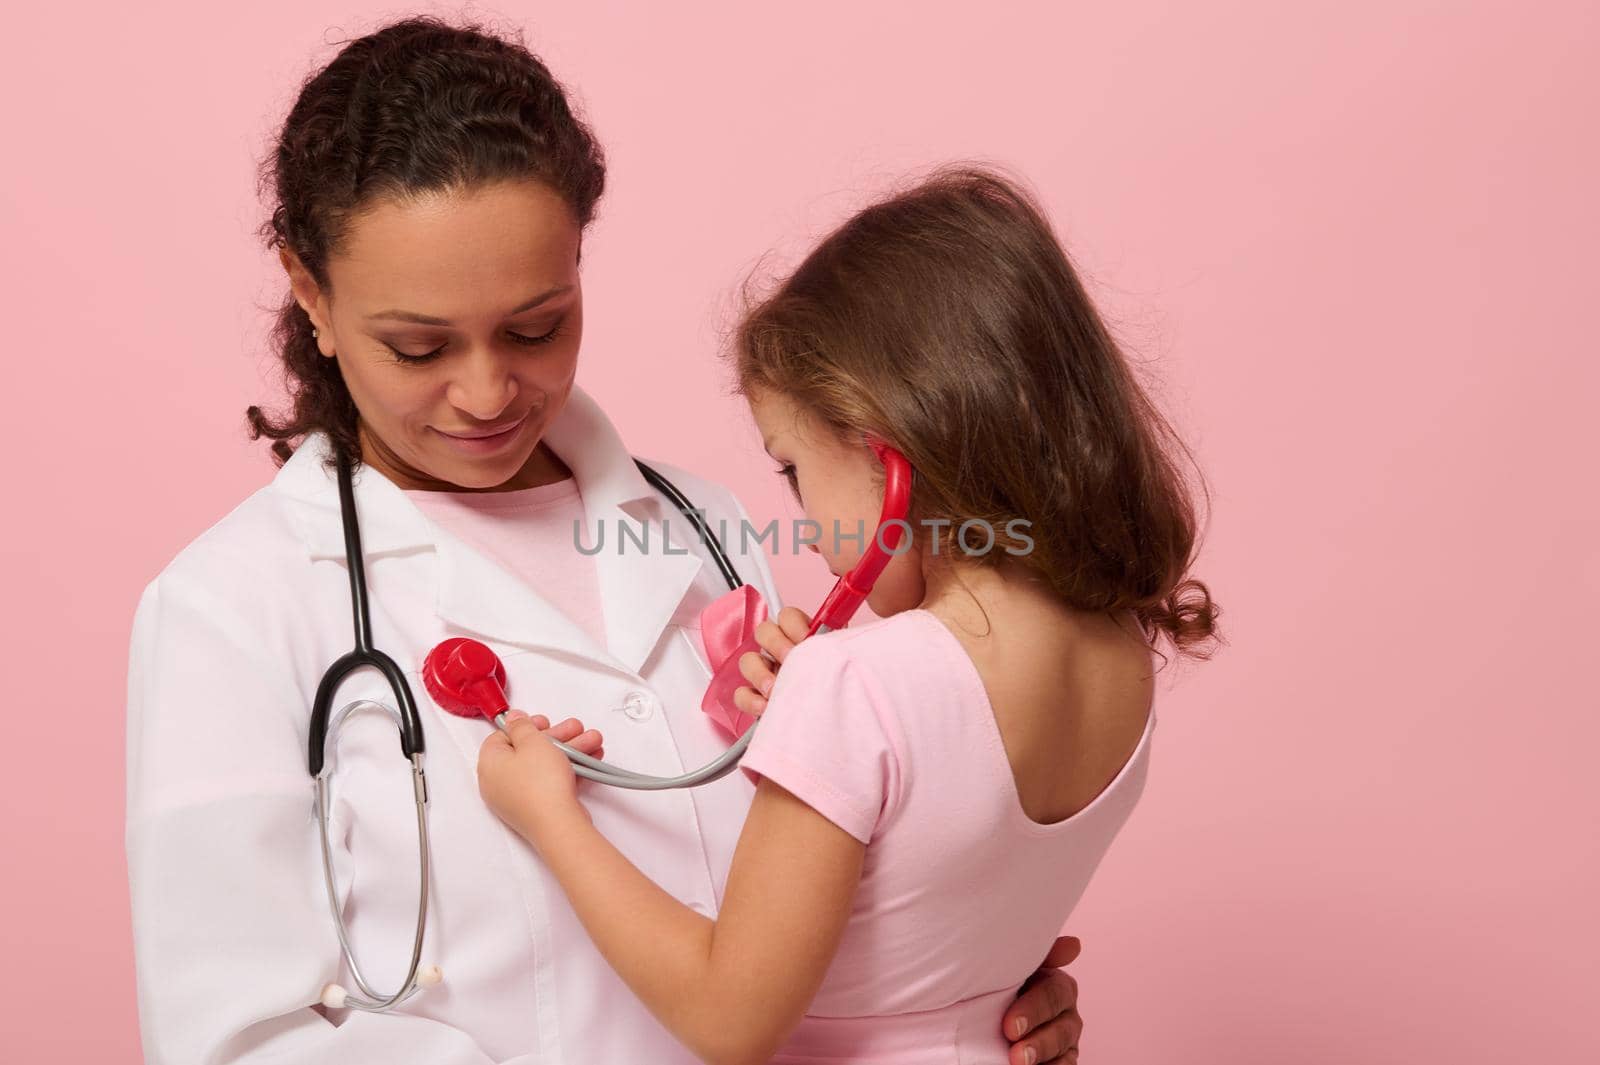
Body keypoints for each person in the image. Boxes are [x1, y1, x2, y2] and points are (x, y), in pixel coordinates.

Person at [124, 16, 1086, 1064]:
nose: (489, 393)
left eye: (536, 326)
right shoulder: (232, 608)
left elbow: (804, 910)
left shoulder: (711, 530)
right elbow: (239, 1041)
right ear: (310, 293)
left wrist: (953, 991)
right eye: (418, 347)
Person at [476, 167, 1220, 1064]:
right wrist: (811, 724)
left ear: (888, 452)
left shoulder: (855, 682)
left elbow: (729, 1020)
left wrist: (551, 816)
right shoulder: (1119, 653)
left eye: (792, 466)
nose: (800, 514)